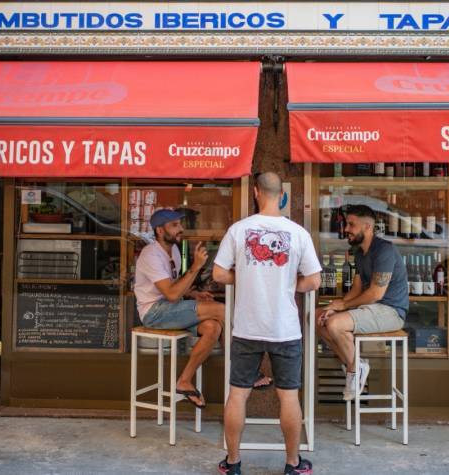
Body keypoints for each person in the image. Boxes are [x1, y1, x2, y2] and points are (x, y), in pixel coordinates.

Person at [213, 172, 321, 475]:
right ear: (283, 196)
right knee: (289, 396)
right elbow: (313, 280)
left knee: (237, 394)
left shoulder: (239, 230)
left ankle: (232, 463)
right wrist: (288, 285)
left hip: (247, 328)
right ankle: (292, 463)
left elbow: (219, 274)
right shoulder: (298, 233)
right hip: (285, 329)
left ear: (257, 192)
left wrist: (244, 278)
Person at [133, 209, 272, 408]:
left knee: (213, 328)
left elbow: (173, 288)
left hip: (171, 307)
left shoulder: (172, 250)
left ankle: (184, 381)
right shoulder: (150, 254)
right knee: (223, 311)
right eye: (174, 225)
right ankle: (245, 370)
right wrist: (196, 267)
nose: (180, 228)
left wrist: (193, 294)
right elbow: (171, 294)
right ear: (159, 230)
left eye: (180, 224)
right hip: (154, 313)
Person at [316, 204, 408, 401]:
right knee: (319, 317)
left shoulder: (384, 250)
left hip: (391, 311)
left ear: (367, 227)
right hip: (371, 308)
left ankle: (354, 369)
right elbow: (357, 289)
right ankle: (355, 365)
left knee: (334, 324)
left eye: (351, 225)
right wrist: (335, 305)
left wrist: (343, 307)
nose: (346, 229)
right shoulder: (360, 253)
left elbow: (375, 293)